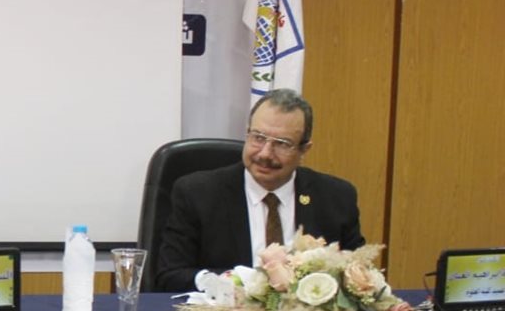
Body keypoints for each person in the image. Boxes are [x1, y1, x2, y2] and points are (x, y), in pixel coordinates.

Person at [154, 89, 365, 293]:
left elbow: (358, 274)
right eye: (258, 137)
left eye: (282, 144)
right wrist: (231, 282)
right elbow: (169, 275)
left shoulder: (336, 197)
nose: (265, 154)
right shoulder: (197, 193)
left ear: (304, 150)